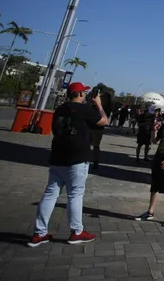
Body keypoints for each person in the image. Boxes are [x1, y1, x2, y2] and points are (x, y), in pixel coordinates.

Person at [27, 83, 109, 247]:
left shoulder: (60, 109)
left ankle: (39, 233)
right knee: (75, 195)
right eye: (83, 92)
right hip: (77, 158)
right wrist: (98, 104)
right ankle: (77, 232)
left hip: (58, 156)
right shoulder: (84, 109)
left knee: (50, 194)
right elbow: (104, 121)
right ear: (78, 93)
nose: (85, 94)